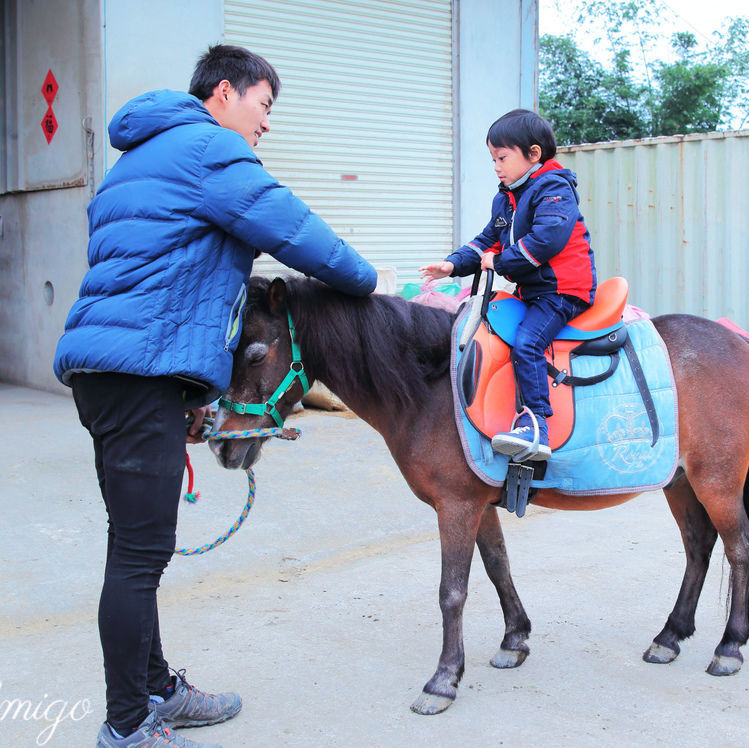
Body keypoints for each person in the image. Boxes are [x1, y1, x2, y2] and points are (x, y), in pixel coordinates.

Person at [53, 44, 377, 748]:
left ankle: (158, 689)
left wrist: (193, 385)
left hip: (113, 377)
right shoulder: (210, 151)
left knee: (135, 548)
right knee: (139, 558)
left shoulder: (139, 157)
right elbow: (296, 233)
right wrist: (367, 281)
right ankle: (128, 725)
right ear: (226, 93)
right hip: (137, 379)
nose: (266, 125)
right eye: (265, 106)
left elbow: (157, 274)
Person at [420, 109, 596, 461]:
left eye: (502, 157)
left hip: (562, 292)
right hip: (531, 292)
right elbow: (488, 239)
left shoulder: (554, 187)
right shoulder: (506, 197)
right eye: (493, 159)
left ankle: (536, 425)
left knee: (528, 342)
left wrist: (500, 263)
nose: (497, 166)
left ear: (533, 154)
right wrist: (453, 263)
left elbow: (548, 239)